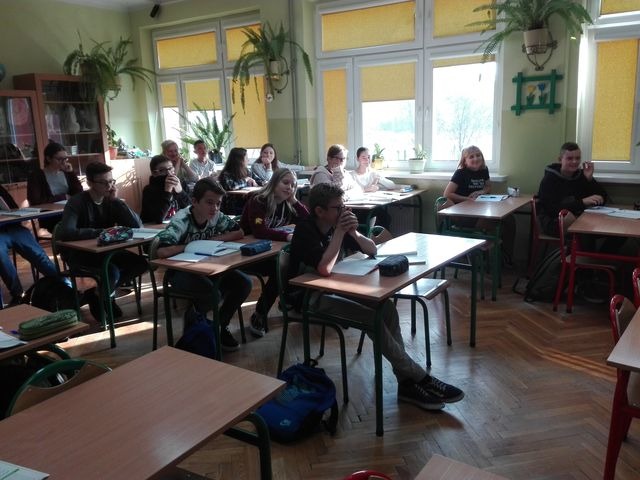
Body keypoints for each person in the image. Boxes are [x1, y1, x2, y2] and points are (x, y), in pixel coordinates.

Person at [289, 183, 464, 410]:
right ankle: (419, 376)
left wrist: (353, 232)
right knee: (372, 318)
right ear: (319, 211)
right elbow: (324, 268)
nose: (343, 212)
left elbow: (372, 250)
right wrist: (340, 233)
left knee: (387, 309)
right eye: (337, 208)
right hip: (307, 297)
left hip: (334, 287)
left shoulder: (335, 225)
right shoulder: (305, 230)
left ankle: (406, 384)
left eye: (343, 206)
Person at [156, 178, 252, 352]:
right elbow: (162, 251)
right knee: (211, 294)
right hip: (180, 272)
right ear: (194, 201)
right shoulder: (181, 220)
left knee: (244, 283)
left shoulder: (216, 216)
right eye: (209, 202)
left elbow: (239, 232)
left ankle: (218, 327)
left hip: (207, 267)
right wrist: (193, 245)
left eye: (218, 203)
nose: (214, 208)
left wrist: (212, 240)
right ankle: (194, 330)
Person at [57, 162, 148, 321]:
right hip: (79, 254)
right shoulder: (77, 202)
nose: (109, 186)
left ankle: (99, 293)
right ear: (90, 183)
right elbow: (66, 232)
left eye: (111, 181)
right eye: (104, 182)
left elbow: (136, 226)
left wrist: (117, 201)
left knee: (140, 264)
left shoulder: (111, 200)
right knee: (111, 271)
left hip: (105, 250)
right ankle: (103, 298)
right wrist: (100, 232)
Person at [240, 168, 310, 336]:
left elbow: (309, 221)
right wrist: (287, 236)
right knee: (279, 268)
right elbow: (259, 231)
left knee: (301, 260)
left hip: (270, 250)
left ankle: (290, 299)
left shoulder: (287, 203)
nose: (289, 187)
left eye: (293, 185)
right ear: (274, 183)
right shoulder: (258, 201)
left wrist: (294, 201)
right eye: (285, 183)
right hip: (248, 254)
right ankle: (260, 314)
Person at [443, 145, 514, 264]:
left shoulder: (484, 170)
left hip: (480, 210)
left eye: (478, 155)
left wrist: (481, 192)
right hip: (464, 214)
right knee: (492, 221)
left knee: (509, 219)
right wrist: (467, 199)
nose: (476, 158)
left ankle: (505, 259)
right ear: (465, 161)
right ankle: (481, 251)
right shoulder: (460, 173)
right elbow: (447, 194)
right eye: (471, 157)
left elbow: (488, 186)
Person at [0, 185, 64, 305]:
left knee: (37, 254)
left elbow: (12, 207)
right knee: (1, 256)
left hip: (13, 227)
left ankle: (62, 284)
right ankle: (18, 294)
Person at [537, 141, 608, 237]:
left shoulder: (581, 175)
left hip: (579, 219)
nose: (574, 162)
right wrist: (582, 202)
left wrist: (589, 179)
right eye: (569, 158)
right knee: (585, 232)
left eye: (577, 158)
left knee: (616, 232)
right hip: (553, 221)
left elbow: (603, 198)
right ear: (560, 160)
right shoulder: (549, 179)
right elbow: (551, 209)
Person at [27, 142, 83, 233]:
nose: (64, 162)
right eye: (60, 159)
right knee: (74, 226)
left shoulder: (66, 172)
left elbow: (79, 193)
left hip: (70, 210)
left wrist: (71, 173)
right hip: (51, 215)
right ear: (48, 159)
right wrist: (63, 197)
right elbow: (35, 200)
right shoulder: (37, 176)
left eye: (65, 158)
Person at [349, 146, 394, 229]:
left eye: (368, 157)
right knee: (381, 216)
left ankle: (381, 236)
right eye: (363, 157)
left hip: (372, 205)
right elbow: (351, 192)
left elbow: (392, 185)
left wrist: (379, 178)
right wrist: (367, 189)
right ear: (357, 159)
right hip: (359, 208)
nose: (367, 160)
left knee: (386, 217)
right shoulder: (352, 175)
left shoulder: (372, 173)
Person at [140, 154, 190, 223]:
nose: (169, 173)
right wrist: (167, 192)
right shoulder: (149, 190)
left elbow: (190, 210)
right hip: (153, 228)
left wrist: (180, 192)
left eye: (170, 168)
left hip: (176, 225)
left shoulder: (180, 183)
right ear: (154, 173)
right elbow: (158, 219)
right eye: (162, 170)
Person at [219, 147, 257, 214]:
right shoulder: (226, 173)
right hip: (233, 206)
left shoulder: (246, 170)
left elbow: (258, 179)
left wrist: (264, 183)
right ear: (239, 160)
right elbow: (232, 186)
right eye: (246, 157)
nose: (248, 160)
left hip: (245, 201)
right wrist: (246, 180)